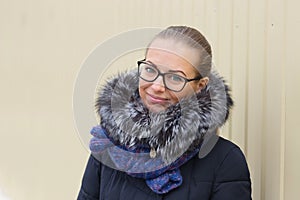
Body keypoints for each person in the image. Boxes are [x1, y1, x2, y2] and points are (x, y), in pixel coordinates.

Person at [77, 26, 252, 200]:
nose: (157, 86)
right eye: (150, 70)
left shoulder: (224, 160)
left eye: (176, 78)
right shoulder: (109, 145)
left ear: (200, 86)